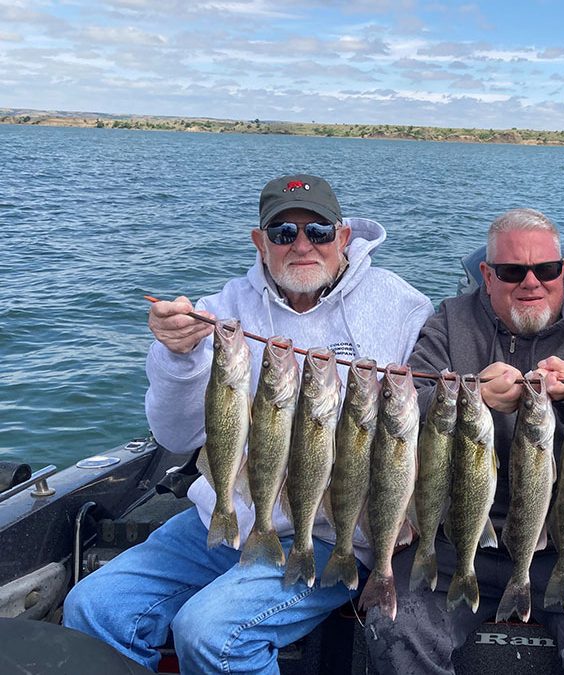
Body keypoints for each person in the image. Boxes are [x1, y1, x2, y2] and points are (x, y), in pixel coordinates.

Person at [64, 174, 434, 674]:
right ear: (260, 243)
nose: (302, 245)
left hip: (332, 532)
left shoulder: (403, 308)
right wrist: (178, 356)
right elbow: (175, 437)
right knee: (94, 607)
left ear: (343, 237)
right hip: (225, 519)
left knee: (213, 635)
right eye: (283, 233)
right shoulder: (224, 310)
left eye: (318, 231)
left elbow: (427, 432)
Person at [363, 208, 564, 674]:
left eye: (547, 270)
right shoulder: (450, 320)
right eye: (513, 271)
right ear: (488, 276)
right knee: (393, 627)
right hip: (461, 534)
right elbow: (409, 397)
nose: (531, 282)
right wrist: (470, 393)